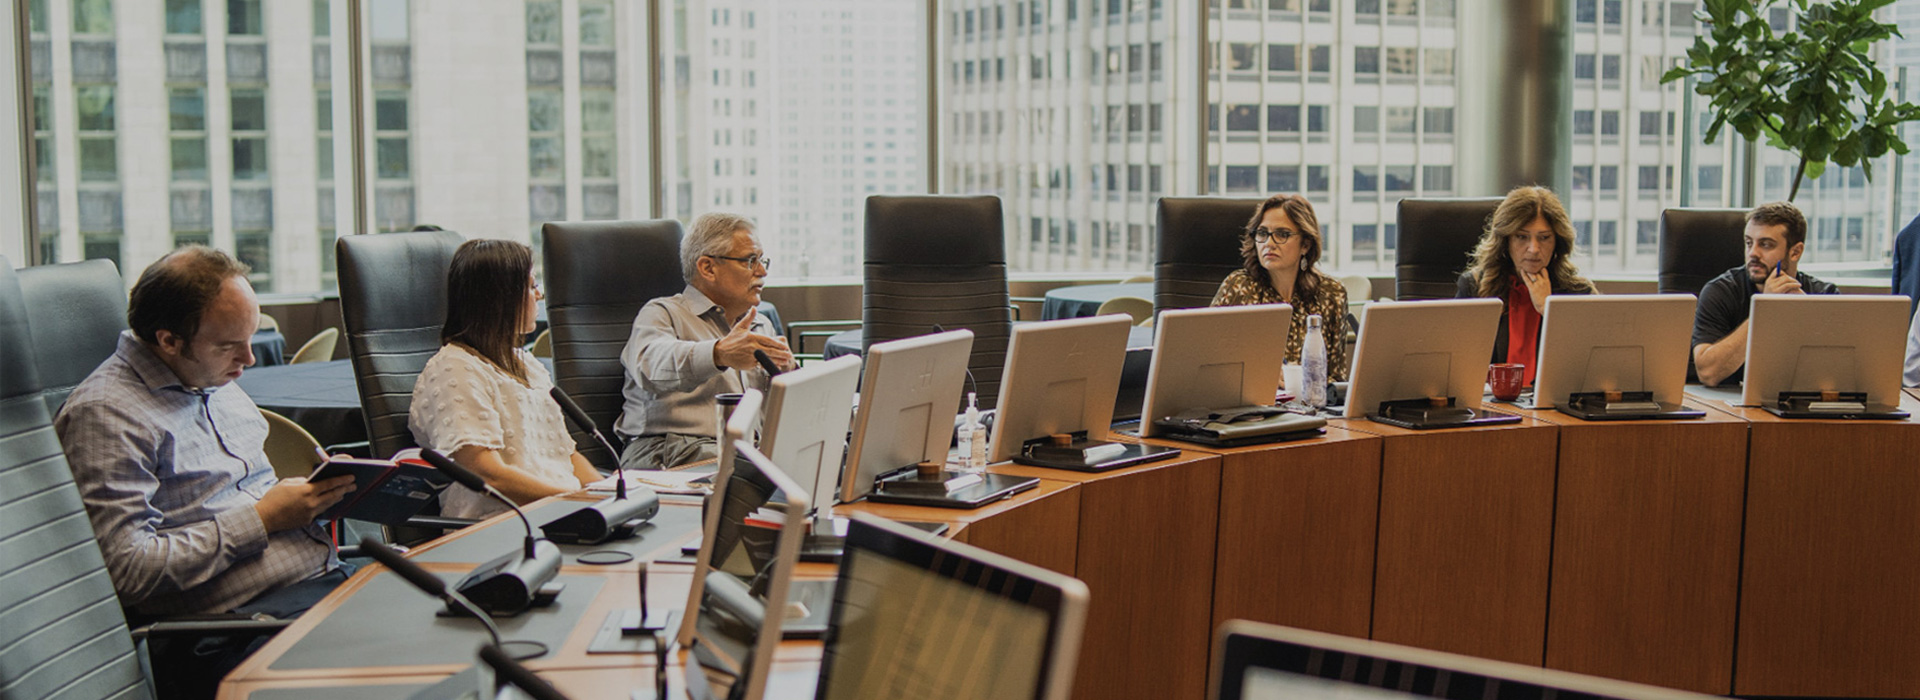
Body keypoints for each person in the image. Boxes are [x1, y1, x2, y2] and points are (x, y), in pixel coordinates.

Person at [56, 247, 356, 695]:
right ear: (168, 340)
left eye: (250, 338)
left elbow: (249, 492)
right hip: (231, 631)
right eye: (228, 345)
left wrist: (321, 496)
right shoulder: (106, 415)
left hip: (312, 588)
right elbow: (128, 570)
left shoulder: (211, 379)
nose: (250, 360)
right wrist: (263, 519)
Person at [409, 239, 602, 519]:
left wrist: (607, 495)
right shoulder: (453, 368)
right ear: (501, 297)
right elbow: (488, 474)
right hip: (502, 525)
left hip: (558, 513)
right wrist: (573, 502)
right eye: (532, 285)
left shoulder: (528, 364)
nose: (539, 294)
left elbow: (566, 455)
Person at [616, 213, 795, 469]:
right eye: (750, 261)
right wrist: (718, 354)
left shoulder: (760, 325)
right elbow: (651, 368)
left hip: (745, 451)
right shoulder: (663, 313)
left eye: (762, 260)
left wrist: (789, 374)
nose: (762, 270)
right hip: (669, 450)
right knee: (754, 473)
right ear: (708, 268)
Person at [1455, 185, 1596, 386]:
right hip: (1493, 409)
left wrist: (1548, 310)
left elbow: (1593, 365)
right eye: (1522, 237)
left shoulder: (1578, 292)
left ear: (1558, 241)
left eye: (1544, 238)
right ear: (1506, 241)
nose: (1533, 249)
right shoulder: (1474, 288)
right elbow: (1454, 368)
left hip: (1555, 412)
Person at [1692, 201, 1839, 387]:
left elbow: (1837, 375)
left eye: (1766, 245)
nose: (1753, 253)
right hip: (1731, 407)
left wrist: (1806, 315)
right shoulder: (1720, 291)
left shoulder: (1824, 295)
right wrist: (1764, 309)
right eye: (1748, 243)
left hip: (1799, 405)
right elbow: (1708, 373)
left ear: (1795, 252)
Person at [1210, 194, 1351, 381]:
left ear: (1305, 245)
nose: (1269, 243)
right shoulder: (1238, 288)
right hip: (1252, 404)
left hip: (1312, 405)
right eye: (1262, 233)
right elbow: (1209, 364)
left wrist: (1299, 378)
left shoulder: (1332, 294)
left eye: (1282, 234)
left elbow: (1337, 378)